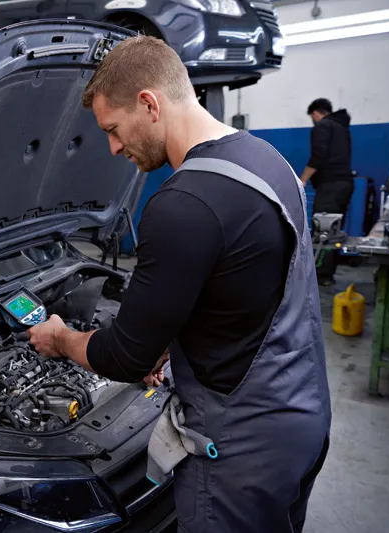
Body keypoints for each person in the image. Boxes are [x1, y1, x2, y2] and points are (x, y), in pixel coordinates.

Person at [27, 36, 331, 533]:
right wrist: (178, 342)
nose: (113, 147)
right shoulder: (268, 161)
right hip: (303, 416)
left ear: (148, 104)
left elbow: (124, 357)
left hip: (239, 452)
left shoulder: (181, 203)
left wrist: (60, 338)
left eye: (113, 129)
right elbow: (250, 284)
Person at [299, 98, 353, 215]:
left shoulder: (322, 126)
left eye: (312, 117)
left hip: (329, 185)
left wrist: (303, 179)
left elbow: (318, 155)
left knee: (322, 225)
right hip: (345, 183)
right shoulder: (342, 128)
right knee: (334, 225)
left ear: (315, 113)